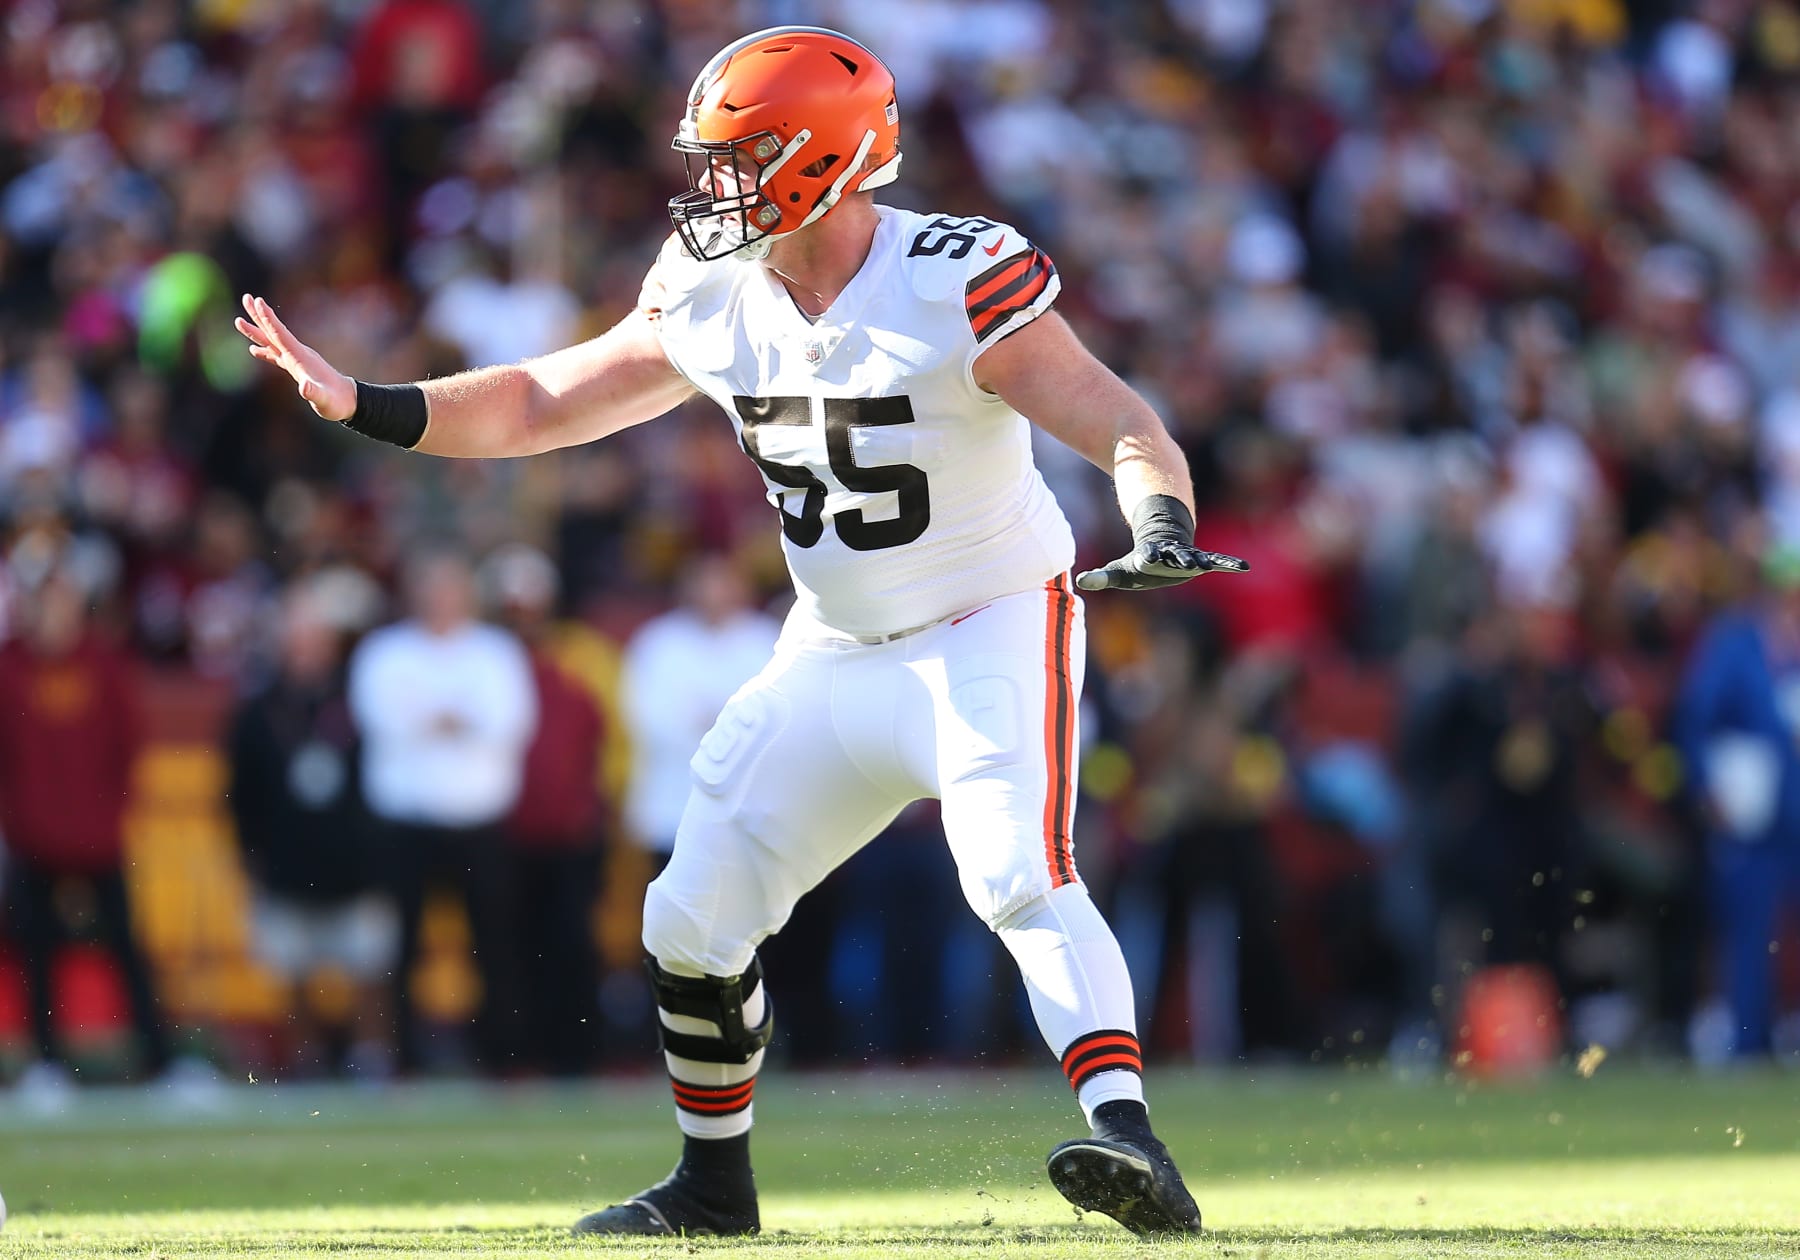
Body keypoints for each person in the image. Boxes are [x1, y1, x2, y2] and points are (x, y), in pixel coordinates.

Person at [236, 25, 1246, 1237]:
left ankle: (1131, 1143)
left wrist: (1162, 518)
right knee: (688, 918)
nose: (715, 186)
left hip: (988, 623)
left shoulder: (953, 275)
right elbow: (546, 397)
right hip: (831, 644)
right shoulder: (713, 282)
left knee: (1018, 873)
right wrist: (370, 404)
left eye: (743, 158)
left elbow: (1120, 419)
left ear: (822, 159)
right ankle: (714, 1187)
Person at [346, 548, 536, 1073]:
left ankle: (502, 1058)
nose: (441, 599)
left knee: (493, 946)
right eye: (431, 586)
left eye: (450, 587)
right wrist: (456, 722)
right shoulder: (385, 653)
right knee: (399, 948)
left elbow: (508, 723)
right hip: (404, 826)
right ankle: (401, 1059)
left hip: (479, 823)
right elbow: (384, 721)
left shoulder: (496, 653)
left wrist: (436, 722)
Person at [0, 566, 171, 1099]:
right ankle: (46, 1064)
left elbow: (128, 745)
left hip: (98, 837)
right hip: (32, 838)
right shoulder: (10, 668)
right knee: (38, 952)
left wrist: (110, 815)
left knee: (126, 946)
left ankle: (162, 1063)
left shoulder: (104, 665)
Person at [227, 581, 395, 1079]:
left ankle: (371, 1059)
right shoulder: (257, 711)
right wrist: (250, 855)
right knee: (291, 971)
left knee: (370, 967)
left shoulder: (359, 697)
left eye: (313, 635)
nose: (305, 646)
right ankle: (309, 1059)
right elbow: (241, 792)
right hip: (285, 862)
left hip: (355, 861)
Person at [482, 543, 612, 1077]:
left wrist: (602, 803)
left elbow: (612, 739)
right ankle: (515, 1055)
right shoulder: (485, 657)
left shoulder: (586, 657)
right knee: (509, 946)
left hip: (572, 829)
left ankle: (576, 1054)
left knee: (572, 942)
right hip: (504, 829)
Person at [1672, 545, 1800, 1058]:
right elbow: (1695, 720)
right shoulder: (1735, 643)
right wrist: (1708, 788)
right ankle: (1749, 1042)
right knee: (1749, 927)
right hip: (1753, 814)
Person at [621, 553, 779, 871]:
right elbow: (647, 717)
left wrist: (716, 725)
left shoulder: (766, 639)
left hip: (752, 808)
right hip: (672, 804)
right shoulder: (659, 642)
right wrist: (723, 726)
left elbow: (778, 715)